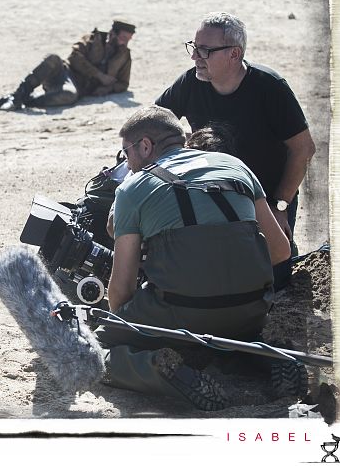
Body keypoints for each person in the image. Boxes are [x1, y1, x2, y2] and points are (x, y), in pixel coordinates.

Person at [97, 105, 291, 410]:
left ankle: (160, 369)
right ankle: (270, 355)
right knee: (224, 333)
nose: (128, 163)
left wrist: (124, 326)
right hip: (251, 310)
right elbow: (280, 251)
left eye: (127, 153)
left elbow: (121, 289)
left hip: (182, 312)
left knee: (95, 349)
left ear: (145, 146)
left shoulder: (133, 188)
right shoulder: (236, 166)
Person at [155, 12, 316, 252]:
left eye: (204, 50)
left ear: (234, 54)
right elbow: (154, 124)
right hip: (209, 193)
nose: (194, 56)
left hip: (265, 199)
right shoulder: (189, 83)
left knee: (273, 268)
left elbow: (303, 149)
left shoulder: (269, 87)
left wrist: (279, 206)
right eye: (194, 47)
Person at [0, 20, 135, 111]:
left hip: (78, 87)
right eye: (123, 38)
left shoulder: (124, 56)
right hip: (65, 73)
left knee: (69, 95)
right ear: (112, 33)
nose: (124, 42)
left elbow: (123, 83)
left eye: (128, 39)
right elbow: (74, 57)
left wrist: (107, 88)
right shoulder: (92, 39)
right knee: (53, 58)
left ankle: (28, 101)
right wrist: (99, 75)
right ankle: (17, 96)